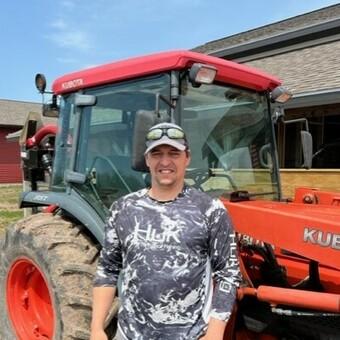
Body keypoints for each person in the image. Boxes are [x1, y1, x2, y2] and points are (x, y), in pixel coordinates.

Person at [90, 122, 241, 340]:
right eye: (157, 153)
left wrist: (215, 334)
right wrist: (96, 328)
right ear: (147, 159)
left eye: (174, 153)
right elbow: (107, 270)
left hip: (190, 335)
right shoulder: (123, 209)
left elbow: (228, 274)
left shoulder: (210, 210)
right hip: (129, 333)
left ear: (187, 158)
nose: (165, 161)